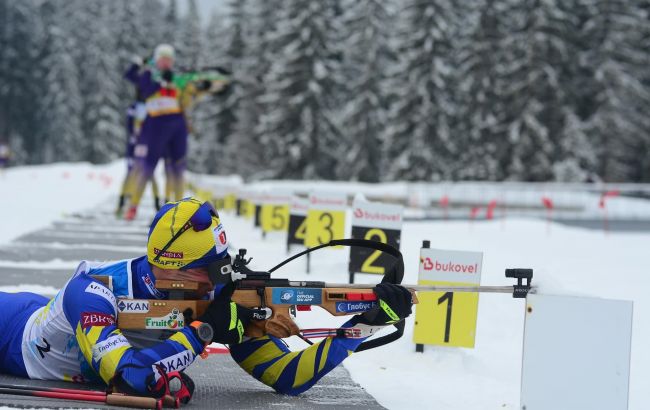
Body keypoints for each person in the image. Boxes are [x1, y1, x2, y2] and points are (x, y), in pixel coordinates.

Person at [0, 197, 413, 402]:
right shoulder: (93, 291)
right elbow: (128, 376)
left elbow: (289, 378)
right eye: (213, 268)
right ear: (172, 268)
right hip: (11, 331)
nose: (223, 277)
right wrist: (205, 330)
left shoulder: (212, 297)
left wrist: (362, 325)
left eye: (225, 263)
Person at [124, 44, 188, 221]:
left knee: (177, 167)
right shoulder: (148, 75)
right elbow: (141, 87)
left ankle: (179, 208)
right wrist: (157, 79)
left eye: (169, 59)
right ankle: (133, 206)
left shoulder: (178, 78)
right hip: (155, 126)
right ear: (157, 60)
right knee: (146, 167)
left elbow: (190, 91)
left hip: (176, 124)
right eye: (163, 59)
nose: (166, 63)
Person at [115, 92, 162, 218]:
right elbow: (132, 127)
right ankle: (125, 205)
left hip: (145, 146)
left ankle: (133, 206)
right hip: (138, 146)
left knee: (146, 175)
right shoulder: (136, 108)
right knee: (135, 174)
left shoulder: (151, 108)